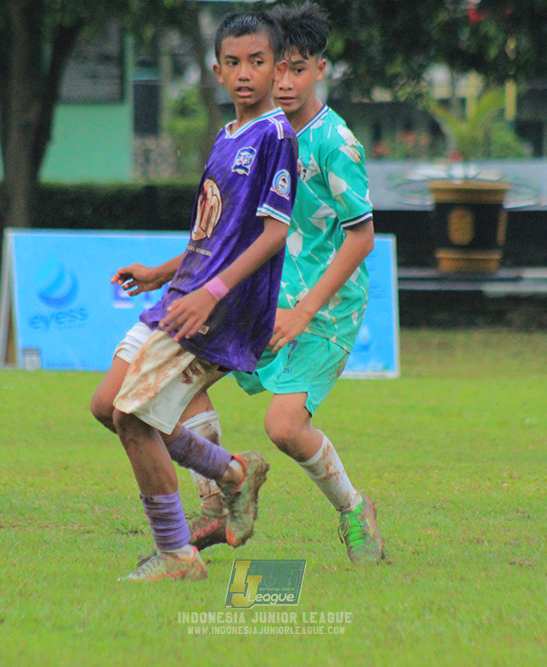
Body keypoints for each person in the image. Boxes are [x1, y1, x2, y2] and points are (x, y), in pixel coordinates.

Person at [181, 1, 385, 564]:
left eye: (299, 69)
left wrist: (305, 311)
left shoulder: (334, 142)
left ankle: (354, 510)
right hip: (263, 298)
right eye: (280, 69)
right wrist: (172, 275)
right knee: (179, 380)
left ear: (320, 69)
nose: (286, 82)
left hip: (325, 308)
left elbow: (362, 237)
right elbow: (231, 229)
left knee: (284, 427)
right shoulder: (258, 136)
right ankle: (216, 501)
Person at [103, 11, 297, 582]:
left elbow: (274, 234)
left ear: (278, 69)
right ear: (217, 71)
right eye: (233, 63)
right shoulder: (227, 135)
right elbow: (212, 235)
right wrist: (162, 273)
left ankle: (177, 555)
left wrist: (211, 293)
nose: (245, 73)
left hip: (219, 310)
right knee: (107, 406)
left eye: (257, 62)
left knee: (132, 418)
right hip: (184, 296)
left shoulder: (276, 136)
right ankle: (234, 474)